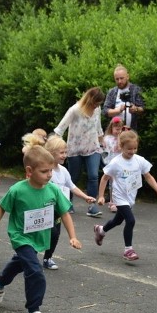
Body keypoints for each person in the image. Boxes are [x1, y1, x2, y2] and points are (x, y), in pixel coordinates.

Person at [0, 140, 80, 313]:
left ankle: (0, 281)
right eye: (44, 171)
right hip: (20, 237)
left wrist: (73, 236)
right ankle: (34, 310)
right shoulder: (17, 190)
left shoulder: (53, 190)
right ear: (29, 171)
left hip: (39, 238)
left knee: (20, 263)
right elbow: (0, 209)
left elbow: (64, 213)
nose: (49, 175)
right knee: (34, 270)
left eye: (51, 171)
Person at [94, 130, 157, 261]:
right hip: (119, 197)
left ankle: (101, 230)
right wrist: (101, 196)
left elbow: (148, 176)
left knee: (117, 220)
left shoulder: (139, 161)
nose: (132, 151)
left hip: (130, 197)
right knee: (130, 220)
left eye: (135, 148)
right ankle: (128, 250)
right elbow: (105, 178)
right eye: (129, 149)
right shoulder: (116, 162)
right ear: (121, 147)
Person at [43, 133, 96, 269]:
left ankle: (47, 258)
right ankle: (26, 256)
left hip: (58, 211)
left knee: (55, 235)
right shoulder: (45, 171)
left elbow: (71, 186)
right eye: (61, 152)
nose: (64, 155)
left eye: (66, 152)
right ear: (50, 153)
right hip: (44, 209)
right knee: (39, 234)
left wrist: (85, 197)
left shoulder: (64, 171)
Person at [53, 87, 105, 217]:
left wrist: (102, 142)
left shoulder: (97, 110)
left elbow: (98, 127)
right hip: (74, 149)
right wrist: (58, 146)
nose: (96, 107)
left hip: (93, 147)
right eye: (94, 104)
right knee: (72, 177)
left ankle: (92, 206)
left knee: (93, 175)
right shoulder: (75, 110)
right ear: (89, 100)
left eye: (98, 104)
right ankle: (67, 202)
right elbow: (60, 129)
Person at [103, 64, 145, 130]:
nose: (119, 81)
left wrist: (136, 109)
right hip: (115, 133)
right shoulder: (112, 92)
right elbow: (105, 111)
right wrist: (118, 110)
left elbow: (142, 109)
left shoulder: (136, 90)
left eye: (121, 78)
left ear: (127, 77)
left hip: (131, 131)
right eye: (117, 79)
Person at [101, 116, 124, 212]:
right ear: (111, 128)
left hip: (121, 164)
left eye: (120, 129)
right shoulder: (107, 138)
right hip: (111, 164)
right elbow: (104, 151)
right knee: (112, 184)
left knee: (121, 183)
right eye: (116, 129)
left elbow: (120, 148)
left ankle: (120, 202)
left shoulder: (122, 139)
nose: (118, 131)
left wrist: (119, 136)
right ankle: (112, 202)